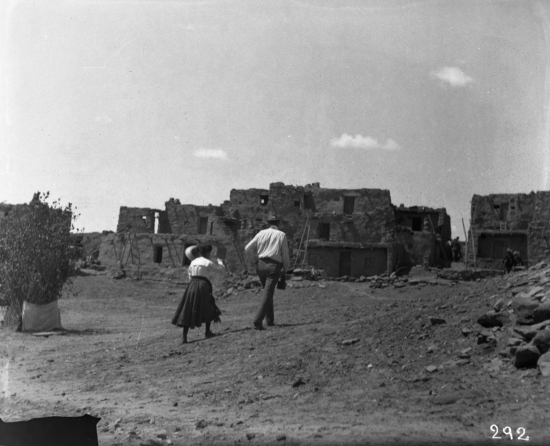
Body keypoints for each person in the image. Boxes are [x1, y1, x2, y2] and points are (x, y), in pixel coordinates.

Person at [171, 244, 224, 344]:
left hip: (191, 286)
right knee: (208, 306)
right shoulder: (208, 262)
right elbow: (221, 271)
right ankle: (207, 332)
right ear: (208, 253)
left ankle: (184, 336)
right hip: (203, 286)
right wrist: (220, 262)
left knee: (188, 308)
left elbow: (190, 276)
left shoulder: (193, 262)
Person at [245, 221, 290, 330]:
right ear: (277, 226)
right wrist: (285, 269)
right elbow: (285, 254)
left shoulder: (261, 233)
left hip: (260, 265)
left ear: (269, 225)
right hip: (273, 267)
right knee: (268, 292)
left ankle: (270, 319)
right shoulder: (281, 235)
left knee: (267, 291)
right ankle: (257, 321)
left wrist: (255, 261)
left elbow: (247, 248)